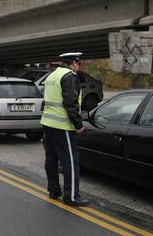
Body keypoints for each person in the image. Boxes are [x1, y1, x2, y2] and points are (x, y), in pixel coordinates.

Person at [40, 52, 89, 207]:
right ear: (74, 62)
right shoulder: (70, 76)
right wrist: (78, 125)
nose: (79, 67)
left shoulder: (52, 76)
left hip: (48, 123)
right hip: (63, 125)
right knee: (70, 162)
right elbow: (71, 103)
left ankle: (54, 190)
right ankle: (72, 196)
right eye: (78, 64)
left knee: (51, 159)